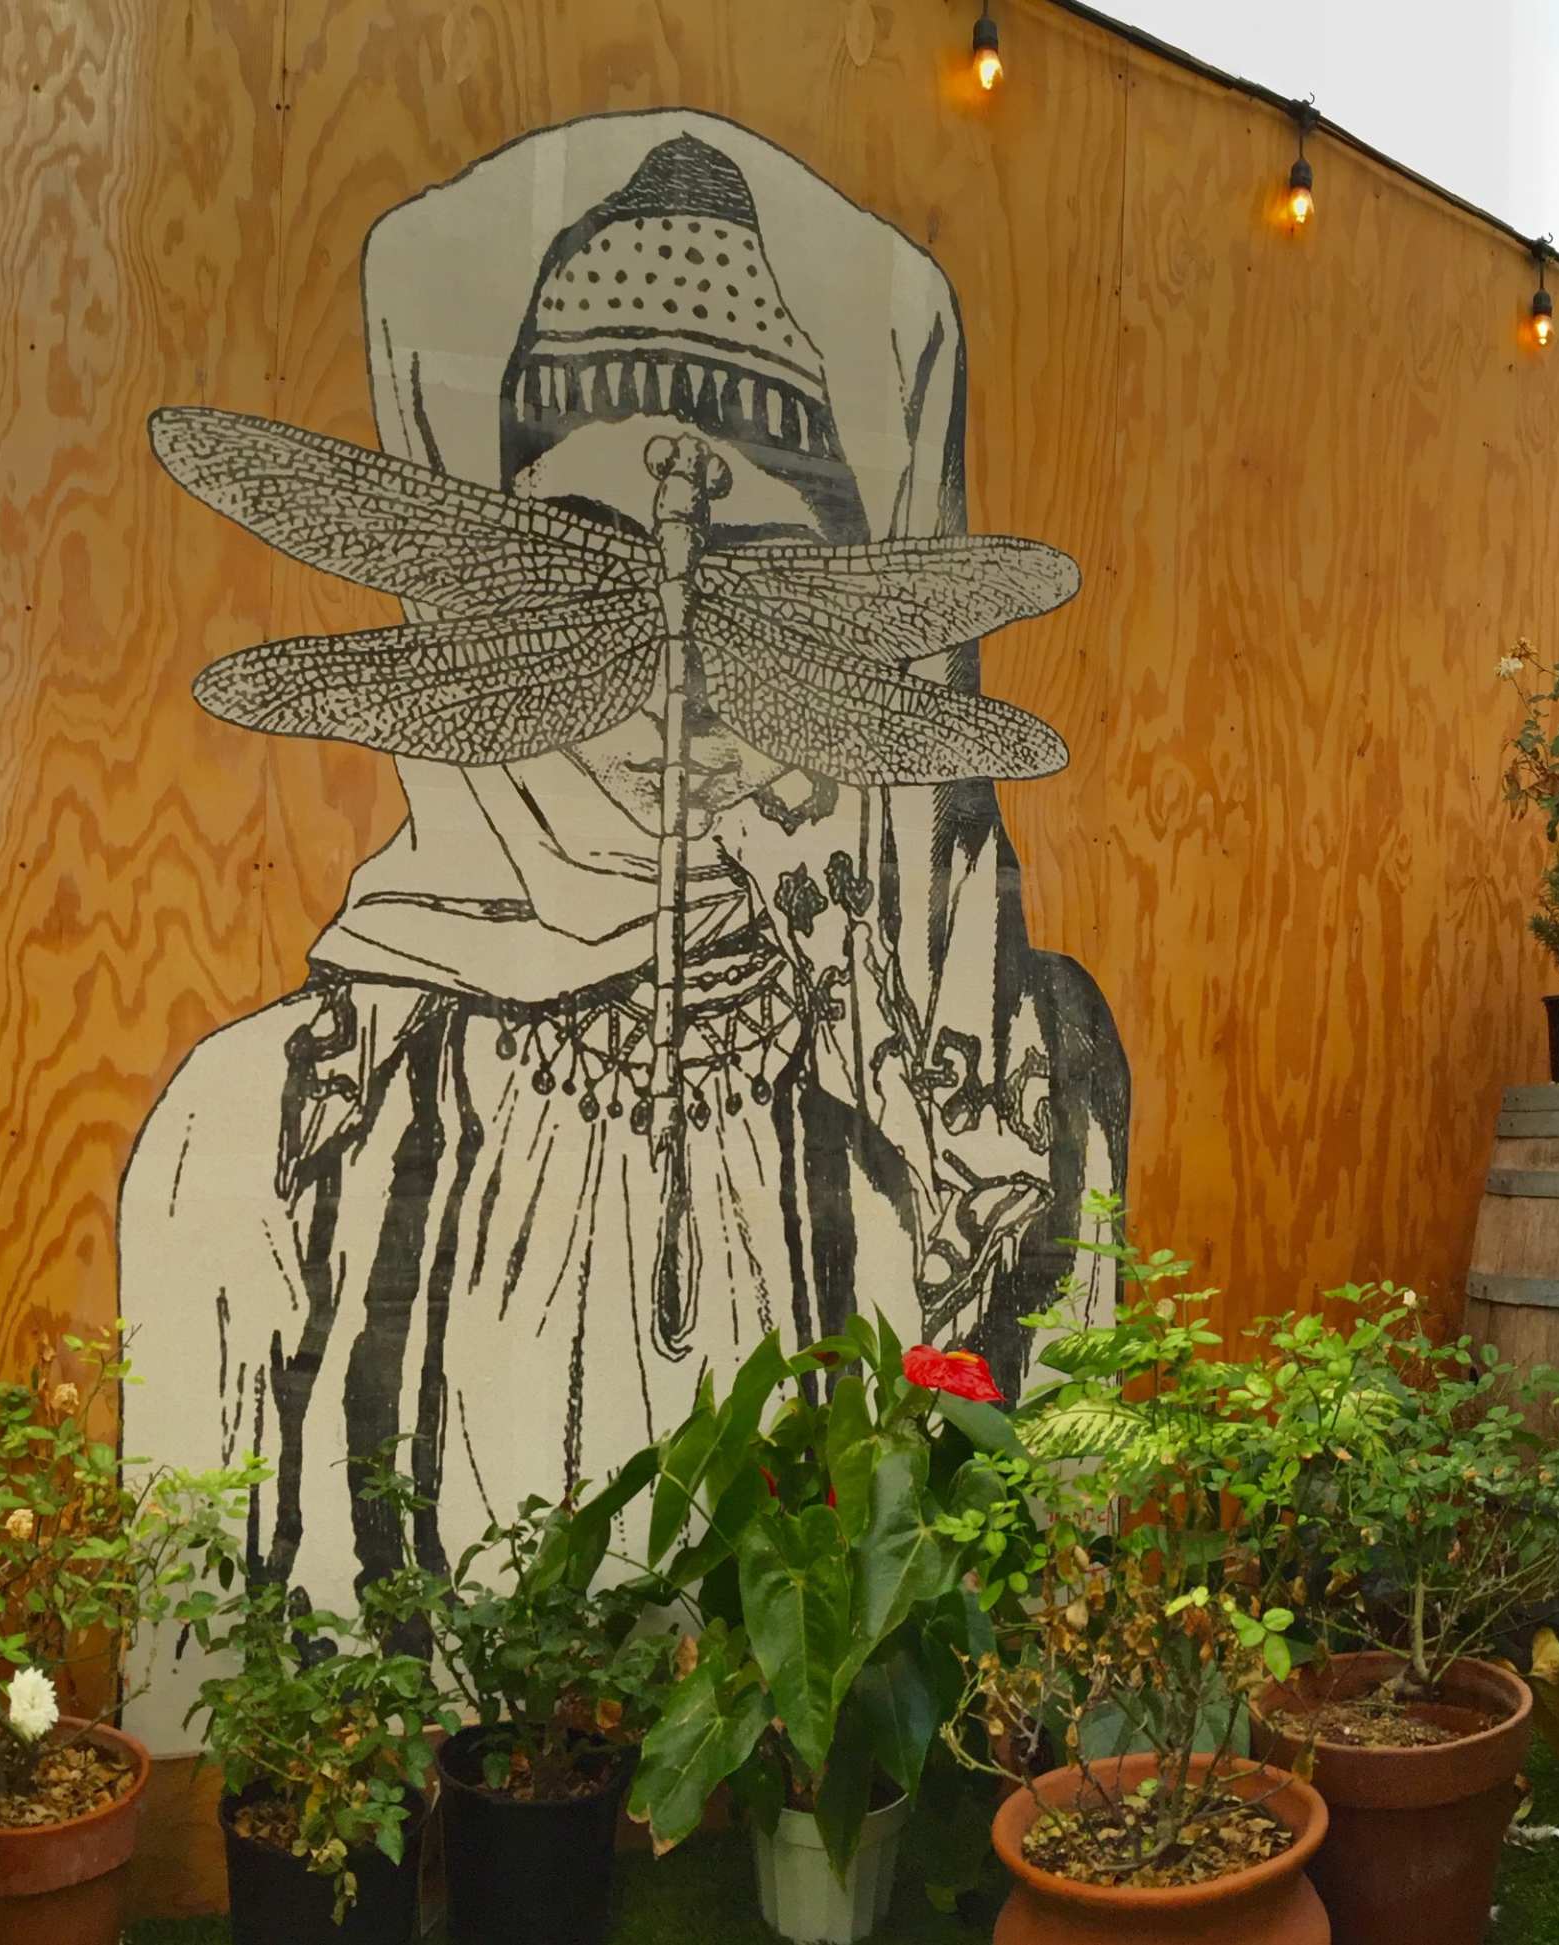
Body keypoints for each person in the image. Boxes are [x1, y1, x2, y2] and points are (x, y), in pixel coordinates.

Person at [118, 111, 1127, 1742]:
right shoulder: (252, 1136)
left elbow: (1070, 1630)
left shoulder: (1011, 1092)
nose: (677, 696)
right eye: (568, 550)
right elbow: (182, 1710)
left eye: (774, 564)